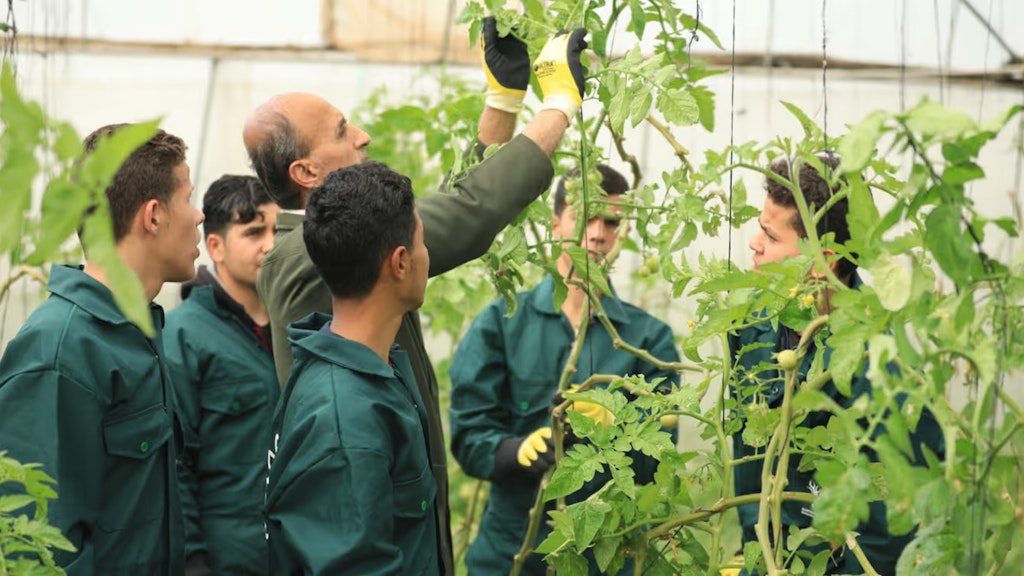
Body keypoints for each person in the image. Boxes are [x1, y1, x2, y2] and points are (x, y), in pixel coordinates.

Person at [244, 19, 587, 575]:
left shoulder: (321, 242)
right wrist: (559, 106)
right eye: (342, 130)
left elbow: (433, 217)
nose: (362, 137)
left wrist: (502, 101)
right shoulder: (302, 259)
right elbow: (465, 214)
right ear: (306, 171)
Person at [448, 164, 681, 575]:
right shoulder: (503, 322)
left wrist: (618, 421)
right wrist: (513, 451)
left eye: (611, 221)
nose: (597, 233)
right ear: (556, 224)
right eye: (584, 216)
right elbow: (468, 434)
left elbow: (660, 457)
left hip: (605, 556)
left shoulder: (648, 341)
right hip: (513, 553)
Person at [0, 124, 204, 575]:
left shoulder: (136, 332)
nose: (199, 216)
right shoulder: (60, 351)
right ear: (153, 215)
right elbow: (37, 547)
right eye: (188, 198)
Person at [728, 155, 945, 575]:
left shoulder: (888, 376)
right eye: (760, 228)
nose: (755, 243)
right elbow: (747, 469)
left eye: (771, 237)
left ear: (822, 261)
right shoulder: (750, 327)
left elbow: (886, 542)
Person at [265, 162, 436, 574]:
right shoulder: (347, 422)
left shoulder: (354, 365)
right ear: (400, 262)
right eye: (422, 243)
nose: (427, 256)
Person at [163, 174, 280, 575]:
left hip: (299, 552)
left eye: (276, 229)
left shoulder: (295, 327)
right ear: (215, 246)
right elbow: (174, 466)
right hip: (229, 559)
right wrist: (194, 561)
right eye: (254, 232)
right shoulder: (183, 335)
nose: (271, 244)